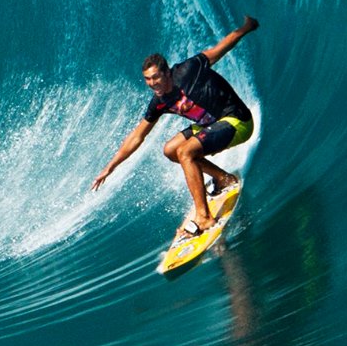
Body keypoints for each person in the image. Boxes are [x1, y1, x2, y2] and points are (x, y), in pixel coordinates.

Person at [91, 16, 259, 236]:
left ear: (167, 72)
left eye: (156, 77)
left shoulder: (189, 69)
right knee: (170, 150)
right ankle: (223, 178)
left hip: (237, 120)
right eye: (147, 80)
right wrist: (110, 167)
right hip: (209, 124)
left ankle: (204, 218)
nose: (153, 84)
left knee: (186, 151)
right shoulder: (159, 101)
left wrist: (245, 28)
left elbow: (220, 49)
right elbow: (137, 137)